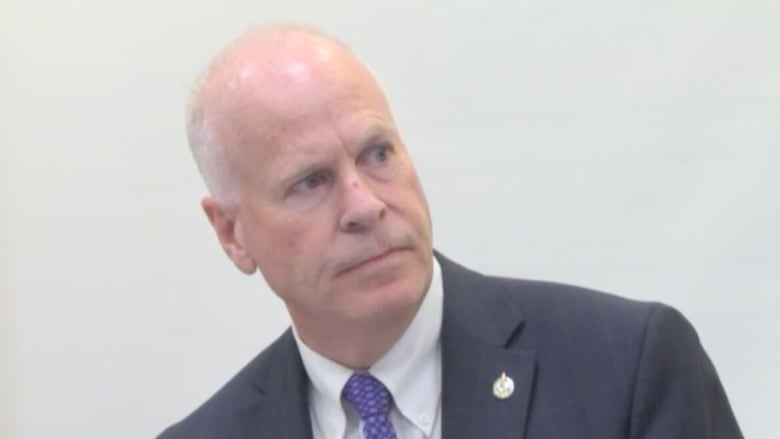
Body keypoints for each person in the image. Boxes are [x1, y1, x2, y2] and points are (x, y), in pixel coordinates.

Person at [159, 24, 743, 439]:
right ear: (232, 233)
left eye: (377, 153)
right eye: (311, 181)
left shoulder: (628, 369)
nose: (364, 205)